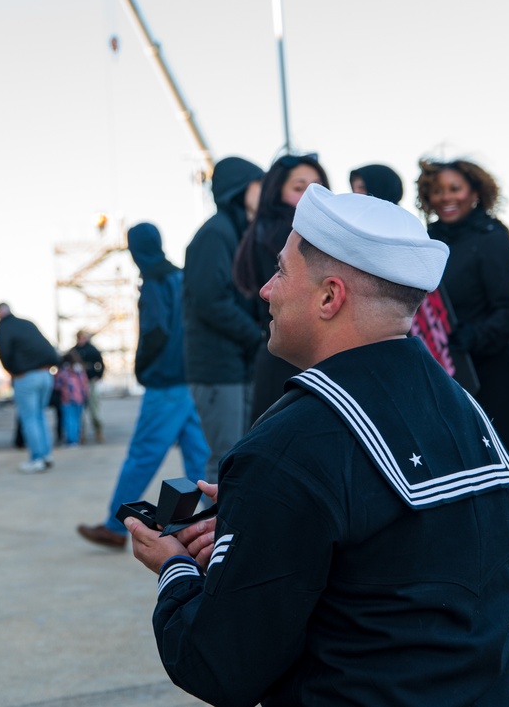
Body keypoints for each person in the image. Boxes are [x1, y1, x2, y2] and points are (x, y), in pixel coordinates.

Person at [126, 184, 509, 706]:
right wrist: (256, 520)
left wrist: (174, 565)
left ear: (330, 296)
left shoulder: (288, 449)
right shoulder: (467, 410)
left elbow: (218, 665)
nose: (265, 290)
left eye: (281, 272)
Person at [77, 223, 208, 549]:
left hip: (165, 383)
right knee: (201, 461)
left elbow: (156, 331)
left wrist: (141, 367)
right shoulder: (181, 277)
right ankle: (220, 527)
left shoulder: (154, 282)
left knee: (142, 455)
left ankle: (114, 526)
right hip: (192, 380)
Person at [417, 158, 509, 455]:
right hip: (439, 381)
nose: (445, 197)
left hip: (489, 382)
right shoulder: (425, 240)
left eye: (454, 188)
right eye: (436, 190)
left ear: (475, 192)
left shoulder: (492, 238)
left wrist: (472, 336)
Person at [183, 156, 264, 482]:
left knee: (241, 457)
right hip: (218, 368)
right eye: (259, 184)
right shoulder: (215, 234)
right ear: (240, 189)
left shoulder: (240, 231)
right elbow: (210, 301)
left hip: (238, 364)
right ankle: (214, 533)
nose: (266, 191)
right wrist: (256, 335)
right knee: (225, 460)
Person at [233, 152, 328, 424]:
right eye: (299, 188)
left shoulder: (260, 230)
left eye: (318, 186)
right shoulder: (288, 233)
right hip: (295, 359)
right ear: (277, 192)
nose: (311, 195)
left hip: (277, 355)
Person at [0, 303, 59, 473]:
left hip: (26, 377)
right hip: (46, 374)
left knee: (29, 418)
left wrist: (13, 371)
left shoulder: (3, 328)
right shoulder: (27, 323)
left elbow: (4, 353)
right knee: (40, 416)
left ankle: (36, 458)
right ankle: (46, 455)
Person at [72, 329, 105, 442]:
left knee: (94, 408)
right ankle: (81, 434)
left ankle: (98, 431)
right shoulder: (74, 351)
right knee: (79, 410)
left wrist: (98, 375)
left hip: (90, 381)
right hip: (78, 383)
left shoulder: (92, 350)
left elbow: (100, 364)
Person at [55, 351, 89, 447]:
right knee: (77, 420)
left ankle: (71, 441)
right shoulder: (80, 370)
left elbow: (57, 385)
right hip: (80, 398)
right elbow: (85, 385)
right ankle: (76, 439)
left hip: (67, 398)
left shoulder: (64, 372)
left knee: (69, 420)